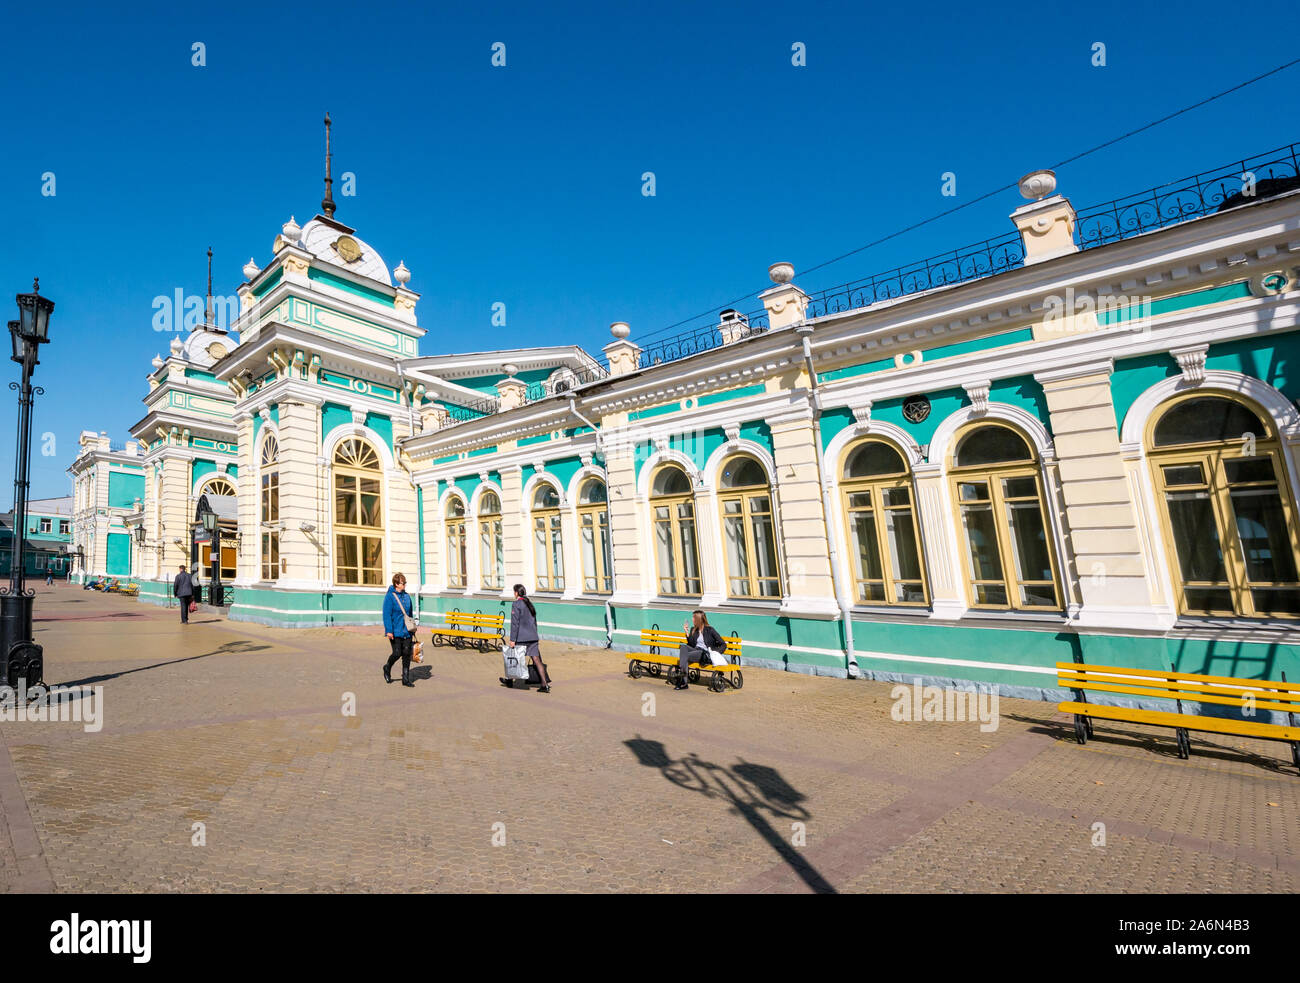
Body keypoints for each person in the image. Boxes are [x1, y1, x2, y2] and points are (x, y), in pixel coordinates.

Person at [503, 584, 550, 693]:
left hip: (521, 637)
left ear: (516, 593)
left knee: (514, 658)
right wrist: (535, 635)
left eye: (514, 592)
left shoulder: (516, 604)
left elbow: (515, 623)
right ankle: (545, 685)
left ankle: (509, 680)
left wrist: (512, 639)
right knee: (536, 660)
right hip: (533, 637)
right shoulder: (529, 603)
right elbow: (535, 622)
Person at [673, 609, 725, 691]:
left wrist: (715, 654)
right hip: (695, 651)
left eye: (694, 618)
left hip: (704, 653)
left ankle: (683, 681)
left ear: (699, 619)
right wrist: (687, 632)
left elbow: (723, 644)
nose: (692, 620)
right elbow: (691, 644)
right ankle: (683, 680)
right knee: (683, 647)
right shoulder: (694, 629)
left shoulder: (710, 630)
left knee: (684, 657)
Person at [383, 572, 416, 688]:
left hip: (407, 631)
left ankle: (405, 679)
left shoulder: (407, 597)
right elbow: (386, 614)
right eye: (403, 583)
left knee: (407, 653)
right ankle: (387, 667)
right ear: (396, 584)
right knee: (397, 653)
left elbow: (410, 614)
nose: (405, 585)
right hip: (395, 630)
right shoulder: (390, 596)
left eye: (405, 583)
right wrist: (389, 630)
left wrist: (413, 627)